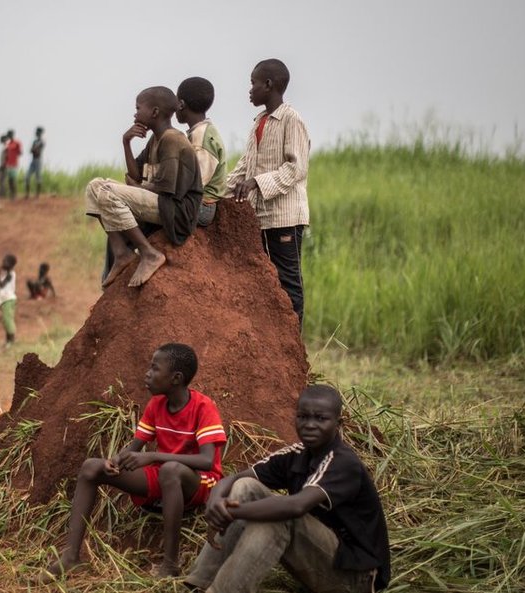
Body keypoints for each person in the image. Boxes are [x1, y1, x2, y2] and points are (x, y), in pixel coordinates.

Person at [43, 343, 227, 581]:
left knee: (170, 470)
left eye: (154, 368)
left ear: (176, 378)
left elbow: (206, 461)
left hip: (201, 483)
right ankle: (70, 557)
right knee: (91, 466)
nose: (147, 373)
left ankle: (170, 564)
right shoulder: (156, 405)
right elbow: (135, 446)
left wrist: (153, 457)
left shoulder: (203, 407)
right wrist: (116, 460)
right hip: (165, 475)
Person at [184, 385, 391, 593]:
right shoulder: (298, 453)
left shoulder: (343, 462)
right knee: (245, 487)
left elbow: (295, 507)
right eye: (303, 417)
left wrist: (228, 512)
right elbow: (235, 478)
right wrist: (215, 501)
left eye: (321, 419)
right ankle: (198, 583)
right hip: (322, 558)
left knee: (280, 518)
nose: (310, 425)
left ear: (339, 424)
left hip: (357, 577)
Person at [85, 86, 202, 288]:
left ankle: (149, 253)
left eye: (138, 108)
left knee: (104, 190)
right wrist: (126, 142)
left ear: (154, 112)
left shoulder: (172, 140)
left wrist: (138, 186)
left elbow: (165, 189)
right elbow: (135, 175)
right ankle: (121, 252)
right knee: (94, 186)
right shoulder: (156, 139)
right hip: (162, 203)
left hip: (176, 212)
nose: (135, 113)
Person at [226, 58, 310, 326]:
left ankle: (292, 346)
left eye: (253, 83)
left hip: (285, 217)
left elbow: (296, 168)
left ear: (269, 84)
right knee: (265, 280)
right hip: (261, 216)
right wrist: (214, 191)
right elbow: (245, 166)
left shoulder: (291, 119)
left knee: (288, 281)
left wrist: (256, 183)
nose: (249, 90)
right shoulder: (259, 121)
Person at [176, 77, 228, 227]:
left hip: (202, 207)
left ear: (181, 104)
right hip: (197, 203)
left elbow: (196, 181)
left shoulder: (202, 138)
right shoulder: (201, 131)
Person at [0, 254, 18, 348]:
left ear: (11, 265)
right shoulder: (6, 273)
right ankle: (7, 340)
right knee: (6, 321)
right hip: (5, 301)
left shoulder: (10, 274)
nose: (3, 263)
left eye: (5, 261)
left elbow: (1, 285)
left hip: (8, 300)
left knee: (8, 320)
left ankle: (12, 341)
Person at [25, 126, 45, 199]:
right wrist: (34, 149)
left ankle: (37, 195)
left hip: (38, 160)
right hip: (33, 160)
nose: (36, 133)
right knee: (27, 177)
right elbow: (31, 151)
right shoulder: (35, 141)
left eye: (37, 132)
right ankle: (27, 194)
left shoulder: (42, 142)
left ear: (40, 133)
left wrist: (34, 149)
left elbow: (37, 152)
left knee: (38, 178)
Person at [4, 129, 22, 199]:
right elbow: (6, 154)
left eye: (10, 134)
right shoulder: (7, 143)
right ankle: (11, 194)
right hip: (8, 164)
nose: (9, 136)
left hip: (14, 163)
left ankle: (15, 194)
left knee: (13, 179)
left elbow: (20, 152)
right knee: (9, 180)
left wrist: (15, 152)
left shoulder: (17, 143)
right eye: (9, 135)